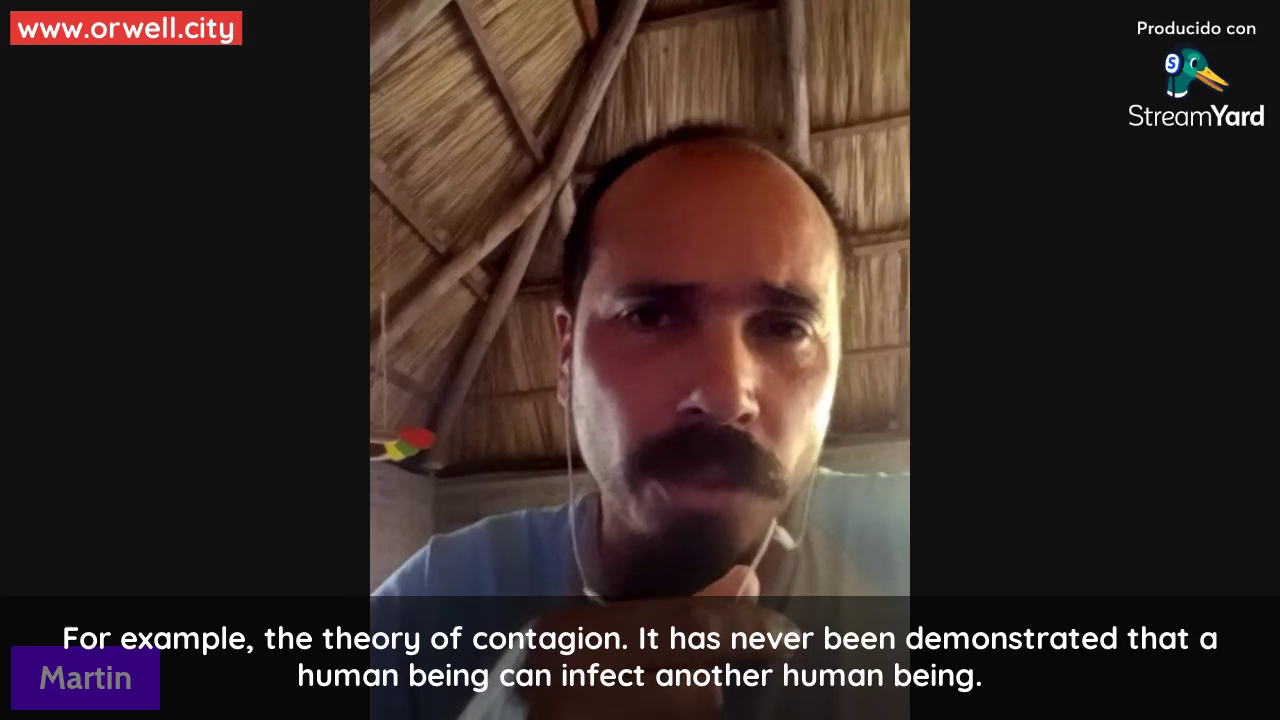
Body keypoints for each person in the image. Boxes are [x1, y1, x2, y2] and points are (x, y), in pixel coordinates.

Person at [371, 124, 909, 719]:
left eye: (786, 328)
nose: (725, 395)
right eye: (650, 316)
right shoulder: (428, 607)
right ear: (566, 356)